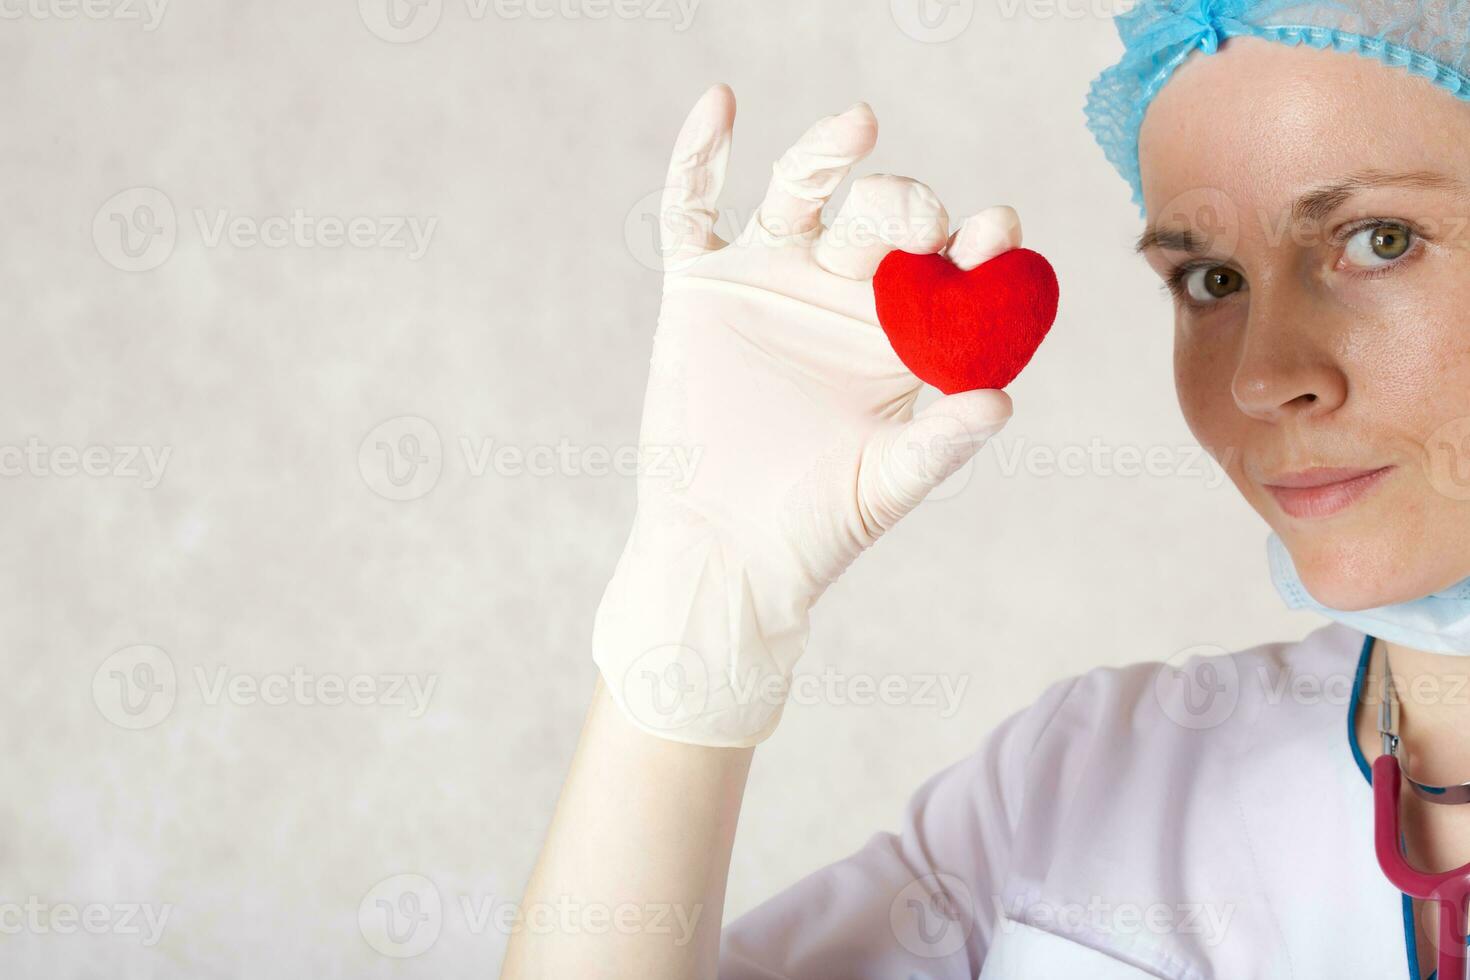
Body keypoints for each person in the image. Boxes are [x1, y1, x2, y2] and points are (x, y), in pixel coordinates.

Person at [500, 1, 1470, 976]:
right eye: (1213, 281)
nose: (1260, 377)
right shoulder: (1088, 777)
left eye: (1380, 239)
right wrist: (701, 610)